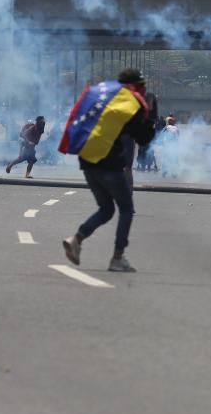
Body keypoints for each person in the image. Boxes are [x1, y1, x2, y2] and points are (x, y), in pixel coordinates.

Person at [60, 69, 158, 273]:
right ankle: (117, 257)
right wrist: (150, 115)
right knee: (126, 209)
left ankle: (76, 239)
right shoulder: (130, 103)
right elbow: (143, 139)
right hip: (110, 164)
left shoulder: (101, 94)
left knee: (106, 209)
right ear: (136, 85)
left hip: (87, 161)